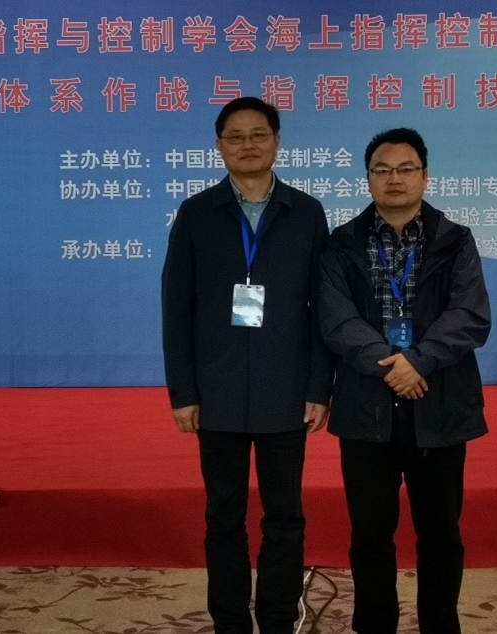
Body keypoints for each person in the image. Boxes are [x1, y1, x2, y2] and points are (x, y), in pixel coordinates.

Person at [161, 96, 333, 634]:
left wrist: (319, 387)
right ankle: (230, 622)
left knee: (285, 517)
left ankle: (279, 620)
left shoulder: (306, 213)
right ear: (219, 147)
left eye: (259, 134)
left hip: (287, 389)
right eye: (235, 137)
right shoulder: (196, 213)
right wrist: (183, 392)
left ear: (277, 142)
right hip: (217, 390)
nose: (247, 145)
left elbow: (325, 308)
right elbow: (176, 308)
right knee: (223, 517)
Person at [317, 128, 491, 634]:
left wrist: (419, 361)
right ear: (368, 179)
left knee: (441, 535)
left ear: (425, 177)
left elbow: (470, 315)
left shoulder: (455, 240)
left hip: (439, 405)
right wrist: (393, 366)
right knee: (370, 535)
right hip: (366, 407)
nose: (394, 179)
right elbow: (336, 319)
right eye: (382, 170)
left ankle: (440, 626)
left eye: (406, 169)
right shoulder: (341, 243)